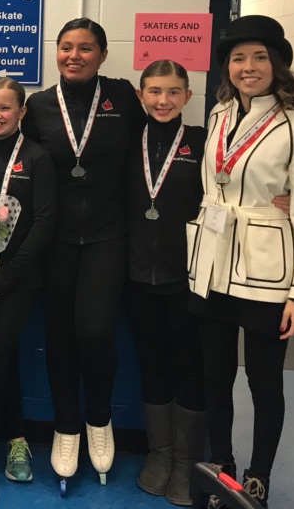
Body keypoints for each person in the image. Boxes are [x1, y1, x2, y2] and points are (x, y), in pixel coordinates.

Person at [188, 15, 294, 509]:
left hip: (269, 275)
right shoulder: (220, 114)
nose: (248, 67)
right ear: (228, 66)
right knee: (215, 377)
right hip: (213, 267)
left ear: (277, 65)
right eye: (238, 58)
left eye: (260, 57)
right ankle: (221, 469)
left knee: (264, 383)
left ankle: (258, 478)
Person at [20, 17, 144, 491]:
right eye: (66, 47)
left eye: (86, 48)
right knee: (59, 335)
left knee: (94, 331)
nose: (75, 56)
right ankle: (66, 426)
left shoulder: (123, 96)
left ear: (103, 54)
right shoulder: (39, 105)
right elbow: (19, 159)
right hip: (54, 239)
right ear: (55, 52)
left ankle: (98, 418)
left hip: (107, 236)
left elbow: (152, 147)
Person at [0, 77, 57, 503]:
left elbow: (44, 224)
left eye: (4, 108)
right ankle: (17, 437)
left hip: (18, 281)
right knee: (3, 358)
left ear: (21, 111)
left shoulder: (37, 158)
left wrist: (5, 277)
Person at [125, 60, 207, 506]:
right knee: (152, 364)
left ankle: (187, 461)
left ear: (188, 97)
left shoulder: (202, 141)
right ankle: (160, 455)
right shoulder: (126, 141)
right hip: (137, 277)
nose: (163, 100)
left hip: (188, 280)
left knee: (190, 366)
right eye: (154, 91)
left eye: (174, 91)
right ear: (140, 95)